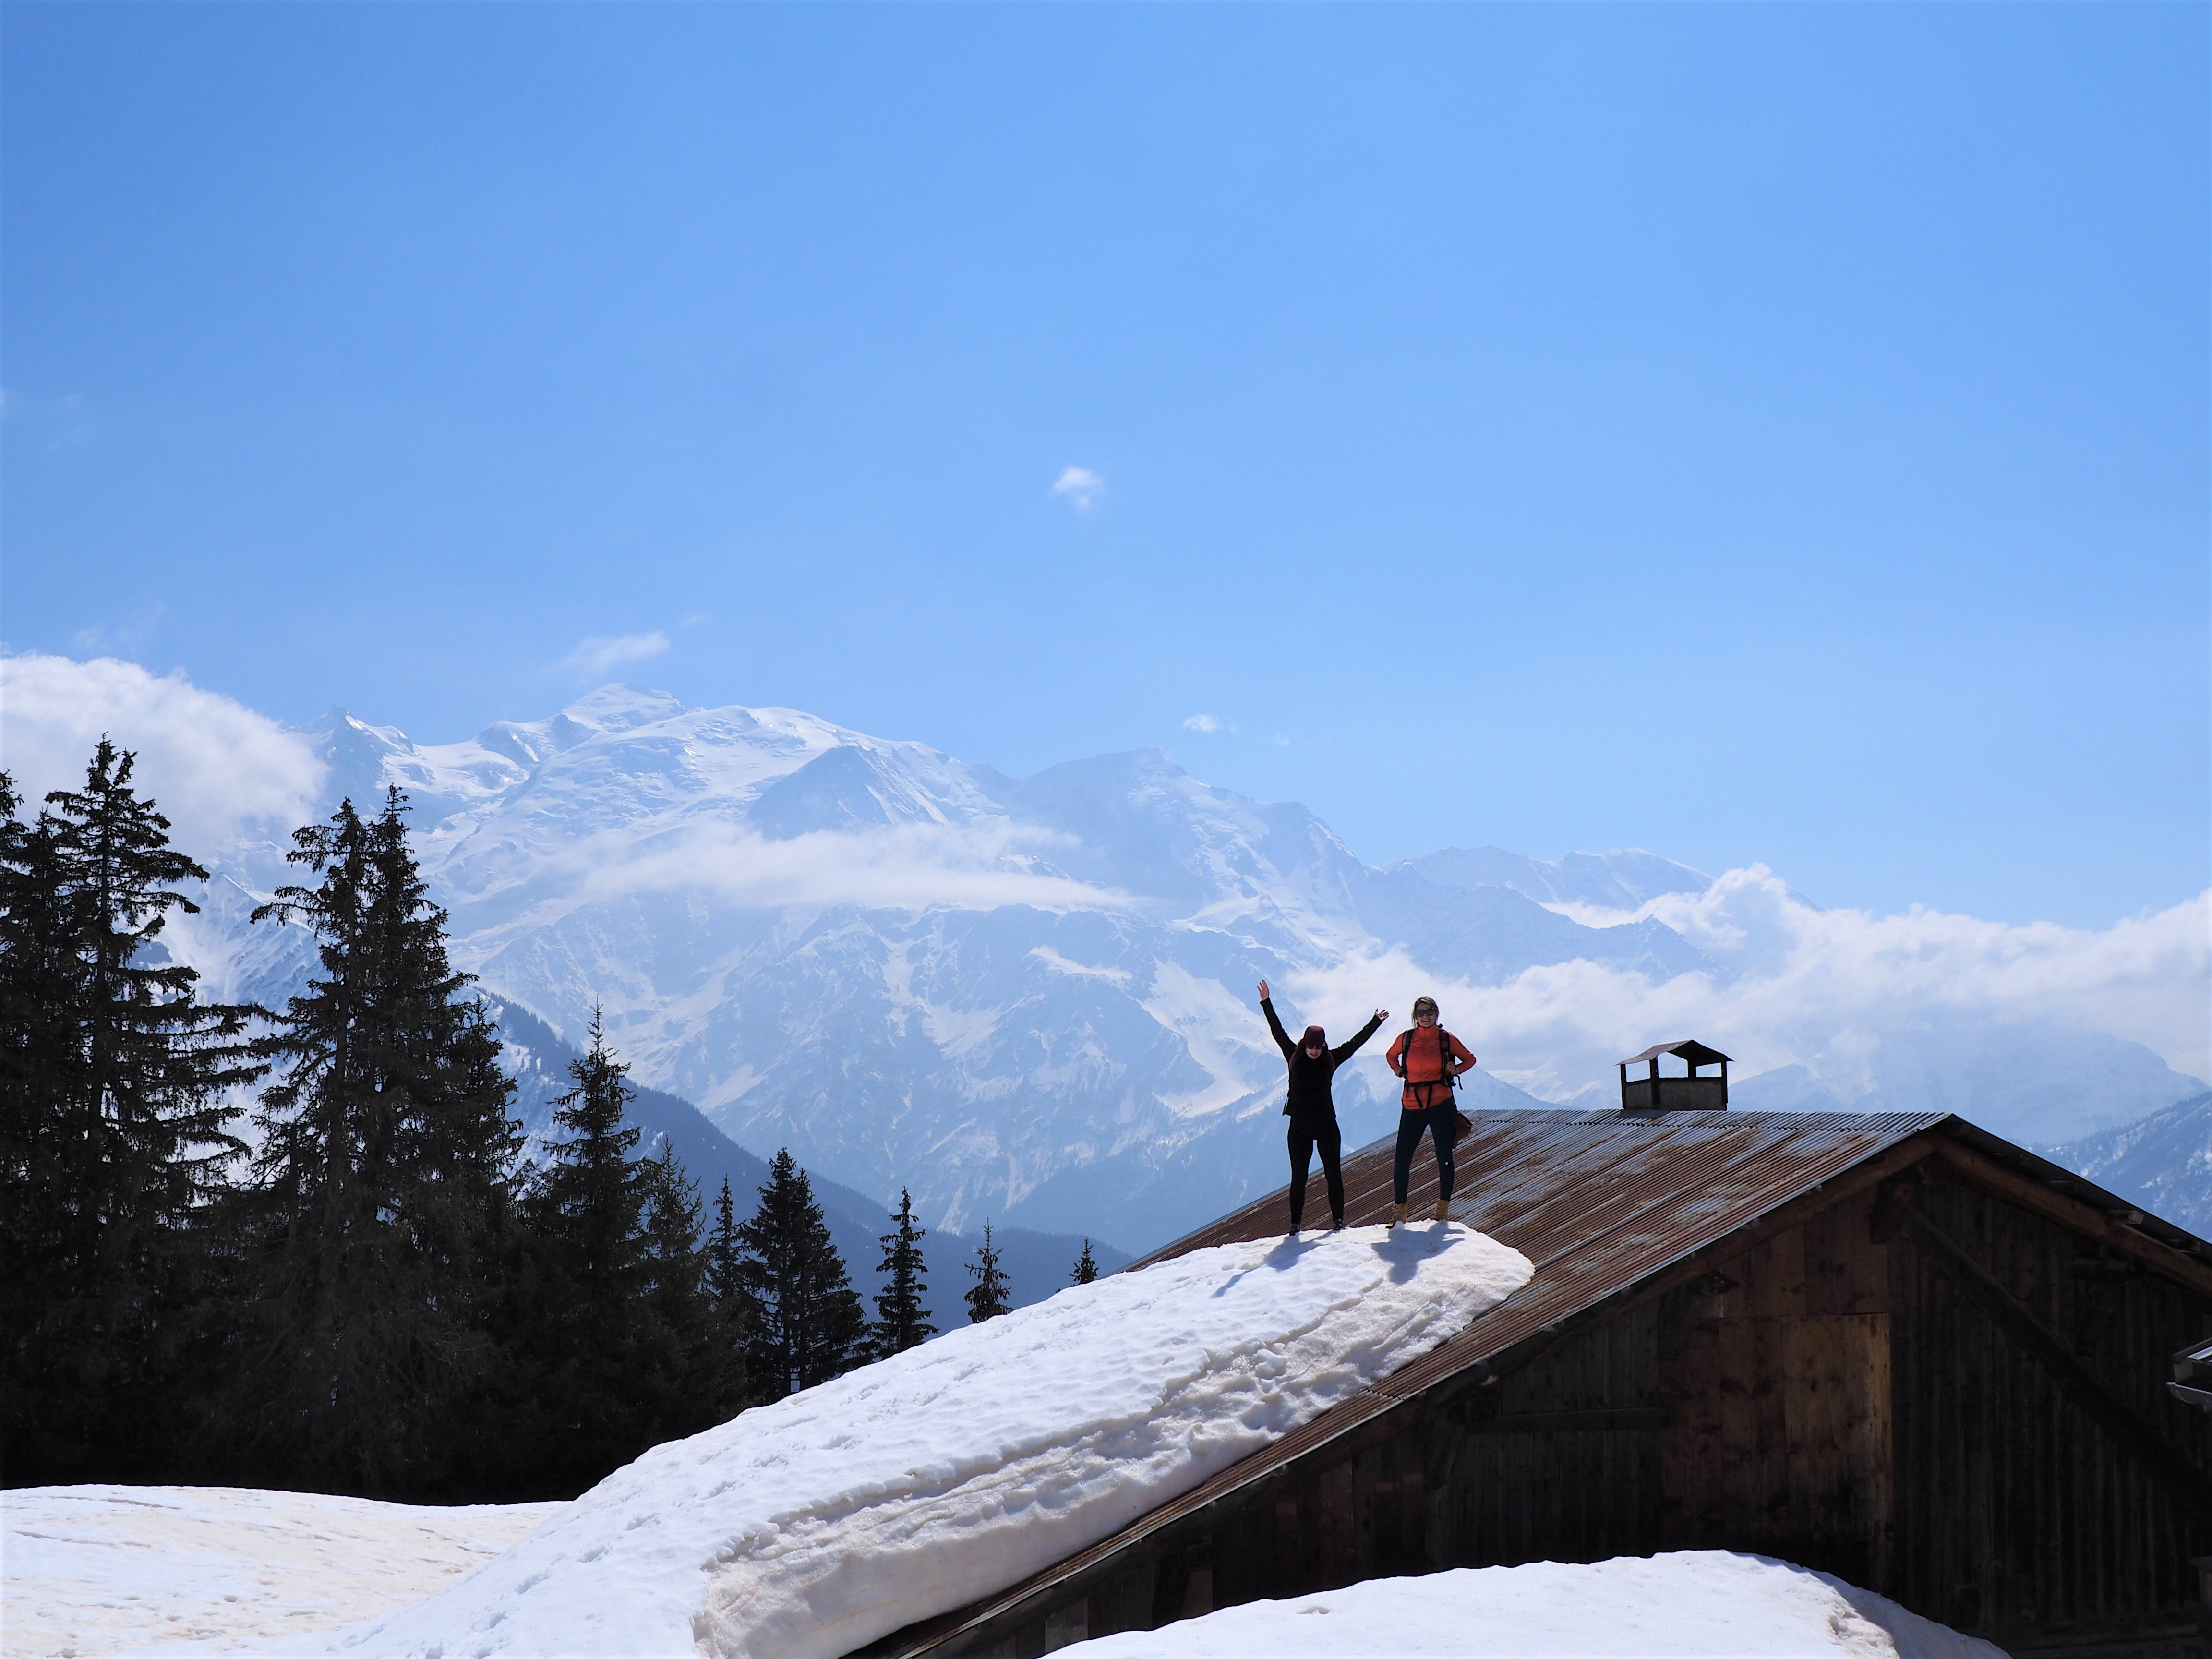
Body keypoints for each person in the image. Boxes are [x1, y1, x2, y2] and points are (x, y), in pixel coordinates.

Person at [1257, 979, 1386, 1236]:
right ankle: (1295, 1225)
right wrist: (1266, 1002)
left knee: (1333, 1174)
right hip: (1300, 1125)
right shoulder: (1292, 1054)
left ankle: (1338, 1222)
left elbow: (1356, 1042)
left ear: (1324, 1045)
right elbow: (1277, 1030)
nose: (1314, 1051)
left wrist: (1375, 1022)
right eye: (1310, 1046)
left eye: (1318, 1046)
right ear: (1304, 1045)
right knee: (1299, 1177)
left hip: (1327, 1123)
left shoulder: (1331, 1058)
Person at [1384, 994, 1476, 1226]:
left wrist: (1456, 1070)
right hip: (1413, 1104)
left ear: (1437, 1013)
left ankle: (1442, 1212)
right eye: (1420, 1013)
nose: (1425, 1017)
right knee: (1402, 1159)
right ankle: (1399, 1214)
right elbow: (1391, 1056)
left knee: (1444, 1156)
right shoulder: (1406, 1038)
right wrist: (1397, 1070)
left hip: (1440, 1103)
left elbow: (1470, 1059)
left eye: (1430, 1012)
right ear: (1415, 1016)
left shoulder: (1446, 1039)